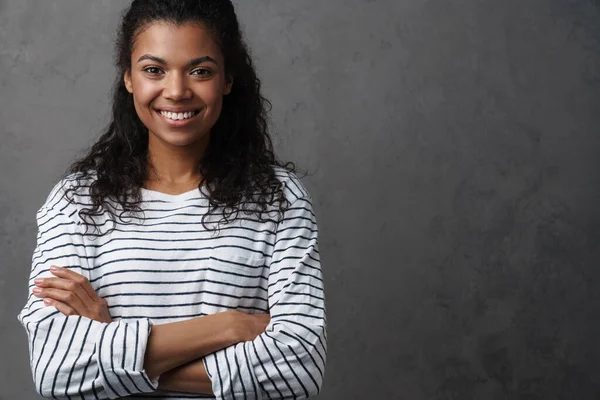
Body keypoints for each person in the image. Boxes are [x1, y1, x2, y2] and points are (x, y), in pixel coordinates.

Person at [17, 0, 327, 399]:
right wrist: (228, 327)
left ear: (228, 79)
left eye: (200, 71)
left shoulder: (278, 199)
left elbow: (299, 371)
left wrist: (113, 343)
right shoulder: (76, 201)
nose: (177, 91)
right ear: (128, 78)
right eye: (154, 70)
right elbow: (55, 370)